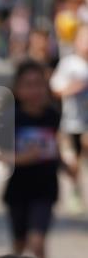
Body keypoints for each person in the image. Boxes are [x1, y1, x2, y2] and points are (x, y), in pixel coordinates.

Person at [0, 60, 61, 258]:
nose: (35, 90)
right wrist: (23, 158)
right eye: (28, 84)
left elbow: (59, 144)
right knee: (19, 244)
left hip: (45, 188)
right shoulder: (11, 118)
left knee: (37, 243)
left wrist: (66, 163)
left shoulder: (53, 116)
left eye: (39, 84)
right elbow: (0, 155)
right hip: (18, 188)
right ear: (17, 89)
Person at [50, 24, 88, 214]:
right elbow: (55, 89)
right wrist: (72, 88)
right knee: (73, 162)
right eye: (84, 39)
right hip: (71, 122)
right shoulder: (69, 64)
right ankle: (76, 190)